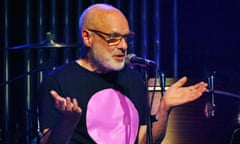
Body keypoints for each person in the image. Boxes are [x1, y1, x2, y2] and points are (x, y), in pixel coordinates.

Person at [38, 3, 208, 144]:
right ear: (87, 37)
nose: (124, 46)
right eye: (113, 38)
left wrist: (165, 108)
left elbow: (144, 141)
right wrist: (67, 123)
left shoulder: (133, 79)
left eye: (126, 38)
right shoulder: (57, 81)